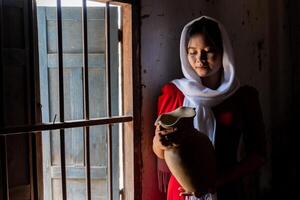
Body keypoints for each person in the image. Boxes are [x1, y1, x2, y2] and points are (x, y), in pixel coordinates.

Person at [152, 16, 266, 200]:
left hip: (226, 190)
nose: (200, 59)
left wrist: (216, 182)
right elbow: (160, 151)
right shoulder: (174, 93)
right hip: (181, 194)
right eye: (192, 52)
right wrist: (158, 142)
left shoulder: (243, 97)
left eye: (208, 51)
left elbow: (258, 155)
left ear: (224, 52)